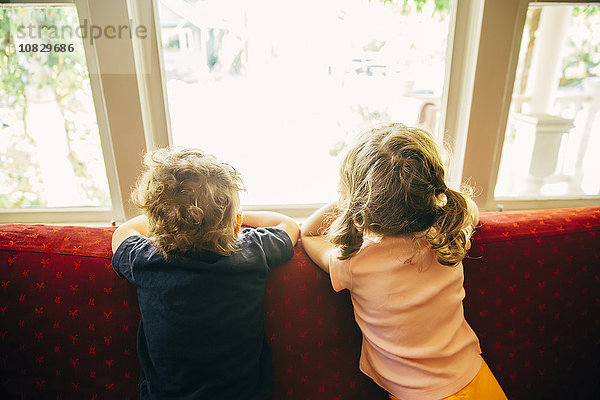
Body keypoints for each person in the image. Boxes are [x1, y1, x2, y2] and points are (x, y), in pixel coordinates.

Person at [300, 123, 507, 400]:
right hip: (473, 378)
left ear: (362, 202)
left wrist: (349, 202)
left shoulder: (355, 262)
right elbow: (471, 210)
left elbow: (309, 232)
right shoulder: (446, 236)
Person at [111, 148, 300, 400]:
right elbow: (288, 225)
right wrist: (236, 217)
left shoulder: (145, 260)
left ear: (156, 225)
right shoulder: (253, 251)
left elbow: (122, 232)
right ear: (236, 224)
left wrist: (167, 223)